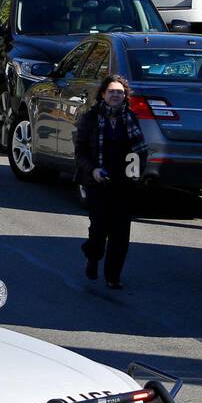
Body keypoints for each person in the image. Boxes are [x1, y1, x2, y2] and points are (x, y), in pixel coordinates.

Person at [74, 74, 148, 289]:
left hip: (123, 182)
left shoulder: (130, 118)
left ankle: (113, 276)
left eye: (120, 92)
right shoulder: (91, 118)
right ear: (103, 94)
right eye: (112, 92)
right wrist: (93, 170)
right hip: (98, 180)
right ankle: (93, 257)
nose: (116, 95)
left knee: (121, 232)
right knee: (98, 230)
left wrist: (136, 172)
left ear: (125, 96)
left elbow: (140, 150)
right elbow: (80, 152)